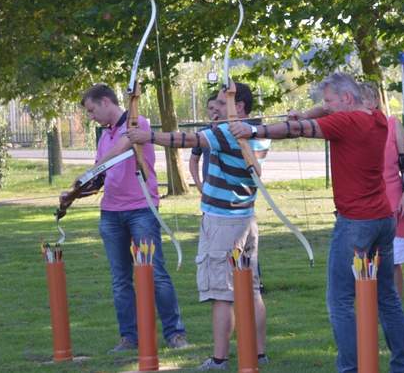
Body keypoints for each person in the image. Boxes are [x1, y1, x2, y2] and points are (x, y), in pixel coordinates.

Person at [229, 73, 404, 373]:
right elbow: (316, 115)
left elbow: (296, 130)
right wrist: (306, 111)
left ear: (347, 99)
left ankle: (351, 368)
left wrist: (251, 130)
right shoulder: (377, 119)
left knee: (339, 301)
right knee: (387, 297)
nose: (324, 106)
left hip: (355, 223)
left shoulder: (346, 123)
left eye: (328, 101)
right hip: (382, 219)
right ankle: (402, 366)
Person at [128, 82, 269, 370]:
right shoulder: (256, 133)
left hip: (223, 222)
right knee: (251, 290)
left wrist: (148, 136)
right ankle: (259, 354)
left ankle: (219, 359)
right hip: (245, 219)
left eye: (222, 100)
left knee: (221, 292)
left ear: (238, 105)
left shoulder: (229, 131)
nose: (216, 106)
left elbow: (185, 139)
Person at [59, 84, 189, 354]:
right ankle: (129, 338)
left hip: (141, 209)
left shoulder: (135, 122)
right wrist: (73, 194)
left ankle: (175, 334)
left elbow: (121, 149)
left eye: (92, 110)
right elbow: (101, 178)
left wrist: (89, 171)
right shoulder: (104, 136)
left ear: (106, 101)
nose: (91, 116)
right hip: (111, 214)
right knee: (121, 280)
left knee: (155, 274)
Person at [361, 83, 404, 299]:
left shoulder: (393, 125)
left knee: (392, 261)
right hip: (365, 203)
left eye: (364, 99)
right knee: (365, 258)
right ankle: (369, 306)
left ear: (375, 100)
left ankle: (395, 305)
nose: (361, 105)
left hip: (392, 201)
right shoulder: (355, 128)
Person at [189, 94, 220, 192]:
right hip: (209, 189)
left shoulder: (233, 131)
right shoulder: (202, 134)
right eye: (211, 108)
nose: (214, 111)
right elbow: (193, 160)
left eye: (217, 108)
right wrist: (198, 184)